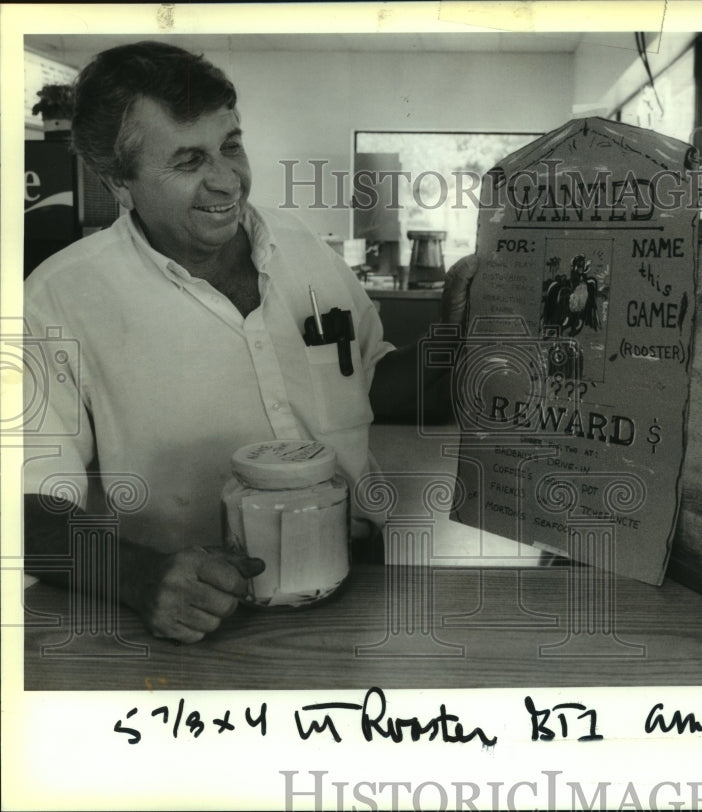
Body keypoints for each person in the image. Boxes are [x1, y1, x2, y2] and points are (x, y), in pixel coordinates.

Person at [23, 41, 476, 643]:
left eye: (230, 145)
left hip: (363, 582)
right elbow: (23, 508)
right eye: (188, 162)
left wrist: (458, 331)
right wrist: (136, 577)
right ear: (118, 182)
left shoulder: (302, 247)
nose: (226, 180)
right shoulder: (59, 298)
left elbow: (375, 386)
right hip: (206, 612)